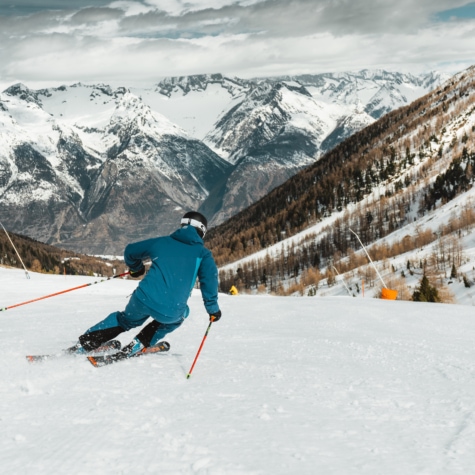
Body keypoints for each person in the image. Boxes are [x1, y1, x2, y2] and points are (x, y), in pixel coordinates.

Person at [68, 211, 221, 357]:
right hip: (170, 309)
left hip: (141, 299)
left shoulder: (161, 242)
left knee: (124, 320)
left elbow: (130, 250)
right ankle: (139, 343)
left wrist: (137, 268)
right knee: (182, 314)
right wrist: (213, 310)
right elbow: (210, 282)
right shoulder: (203, 254)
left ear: (182, 226)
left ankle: (87, 341)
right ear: (202, 231)